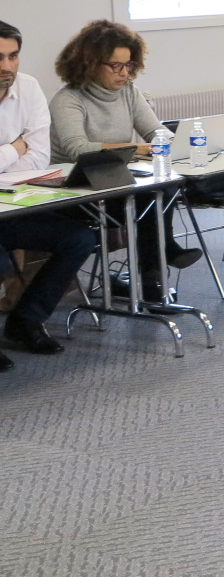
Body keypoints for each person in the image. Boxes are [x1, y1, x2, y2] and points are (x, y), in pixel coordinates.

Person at [48, 19, 202, 304]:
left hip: (117, 180)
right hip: (76, 190)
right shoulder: (67, 99)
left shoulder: (129, 92)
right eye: (116, 66)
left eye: (129, 65)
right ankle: (156, 267)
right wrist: (139, 148)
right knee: (151, 196)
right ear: (90, 63)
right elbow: (78, 149)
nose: (125, 73)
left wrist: (164, 141)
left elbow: (156, 130)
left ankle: (151, 275)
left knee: (160, 188)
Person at [0, 19, 96, 368]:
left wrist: (12, 153)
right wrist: (16, 147)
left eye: (13, 57)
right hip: (11, 199)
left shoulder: (28, 88)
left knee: (80, 239)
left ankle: (26, 321)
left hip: (18, 203)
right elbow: (26, 153)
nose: (6, 67)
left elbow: (40, 157)